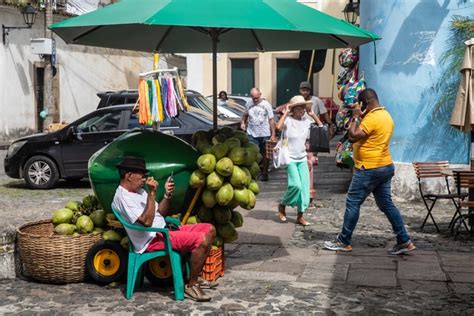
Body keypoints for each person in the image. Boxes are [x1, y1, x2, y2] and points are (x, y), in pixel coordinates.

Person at [323, 89, 416, 255]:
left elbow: (353, 136)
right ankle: (404, 240)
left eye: (361, 104)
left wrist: (356, 116)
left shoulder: (372, 118)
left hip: (369, 168)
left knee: (353, 202)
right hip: (385, 166)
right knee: (386, 204)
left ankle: (344, 241)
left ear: (365, 103)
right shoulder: (386, 116)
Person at [112, 156, 217, 302]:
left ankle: (194, 277)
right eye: (142, 176)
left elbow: (160, 213)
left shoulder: (140, 192)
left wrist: (167, 195)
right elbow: (147, 222)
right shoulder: (123, 197)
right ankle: (191, 286)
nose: (144, 179)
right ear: (129, 176)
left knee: (209, 229)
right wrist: (152, 193)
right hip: (153, 239)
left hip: (166, 230)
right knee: (202, 240)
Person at [276, 95, 324, 226]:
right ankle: (282, 204)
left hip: (302, 157)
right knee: (295, 185)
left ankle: (300, 216)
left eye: (304, 107)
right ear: (294, 109)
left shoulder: (306, 121)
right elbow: (278, 127)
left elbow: (321, 128)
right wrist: (285, 113)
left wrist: (313, 115)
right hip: (290, 158)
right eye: (300, 108)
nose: (303, 110)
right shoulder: (288, 121)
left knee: (304, 188)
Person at [299, 81, 330, 207]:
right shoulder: (298, 101)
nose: (305, 92)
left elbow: (324, 114)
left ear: (310, 91)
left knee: (310, 164)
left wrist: (329, 125)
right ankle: (303, 192)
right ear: (300, 90)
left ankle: (309, 195)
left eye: (307, 90)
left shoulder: (316, 101)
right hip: (300, 136)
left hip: (313, 134)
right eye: (303, 90)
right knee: (304, 165)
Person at [240, 87, 276, 181]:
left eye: (257, 97)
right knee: (253, 154)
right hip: (252, 133)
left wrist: (273, 134)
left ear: (260, 94)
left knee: (265, 154)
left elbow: (271, 120)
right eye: (253, 98)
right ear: (251, 97)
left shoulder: (266, 104)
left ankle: (265, 173)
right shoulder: (248, 104)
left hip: (264, 132)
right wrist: (243, 123)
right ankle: (254, 173)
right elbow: (245, 115)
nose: (255, 100)